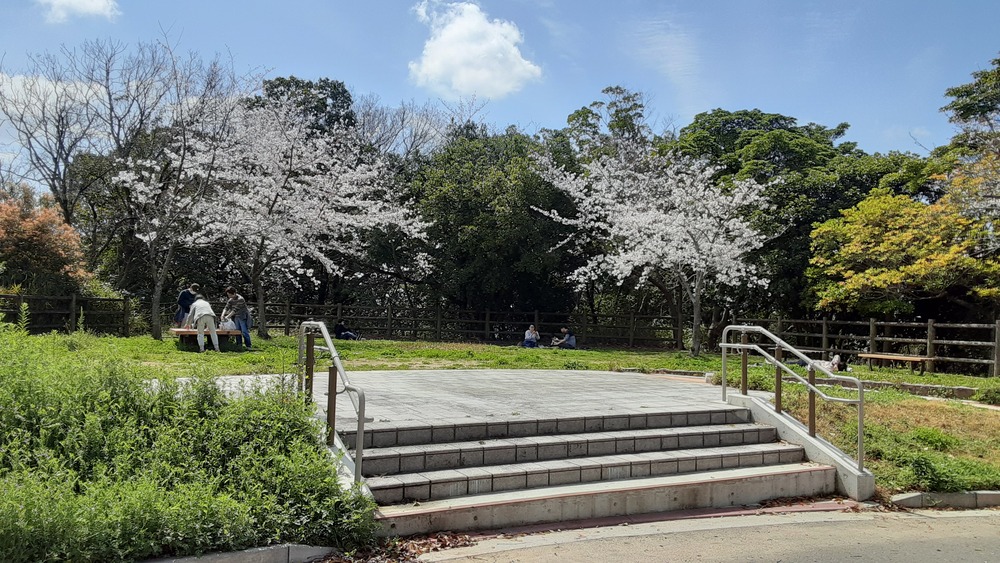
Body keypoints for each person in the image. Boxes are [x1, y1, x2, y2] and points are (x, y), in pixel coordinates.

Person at [220, 286, 252, 350]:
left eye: (230, 295)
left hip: (243, 316)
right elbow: (226, 307)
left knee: (244, 331)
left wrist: (227, 317)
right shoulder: (231, 300)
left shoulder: (240, 299)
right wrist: (222, 315)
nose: (229, 296)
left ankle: (248, 345)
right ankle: (239, 345)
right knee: (237, 331)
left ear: (234, 293)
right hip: (236, 317)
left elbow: (235, 310)